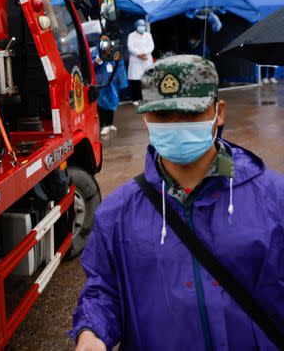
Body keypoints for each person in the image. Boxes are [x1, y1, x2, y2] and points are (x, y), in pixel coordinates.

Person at [71, 55, 284, 351]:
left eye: (189, 114)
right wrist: (92, 331)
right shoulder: (117, 214)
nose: (176, 126)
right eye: (162, 116)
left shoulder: (274, 198)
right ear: (145, 120)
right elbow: (104, 290)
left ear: (218, 112)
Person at [91, 42, 128, 137]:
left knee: (112, 103)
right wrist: (98, 61)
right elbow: (91, 65)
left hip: (111, 83)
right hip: (101, 83)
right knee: (102, 105)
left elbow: (118, 65)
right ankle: (104, 125)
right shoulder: (95, 53)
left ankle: (110, 123)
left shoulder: (112, 53)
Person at [127, 19, 154, 105]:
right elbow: (130, 47)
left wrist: (144, 53)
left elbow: (151, 46)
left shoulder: (148, 35)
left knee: (147, 79)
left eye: (143, 26)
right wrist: (139, 54)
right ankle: (136, 99)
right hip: (136, 60)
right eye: (140, 26)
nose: (141, 27)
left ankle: (147, 98)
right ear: (136, 26)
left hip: (146, 59)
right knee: (135, 81)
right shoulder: (131, 35)